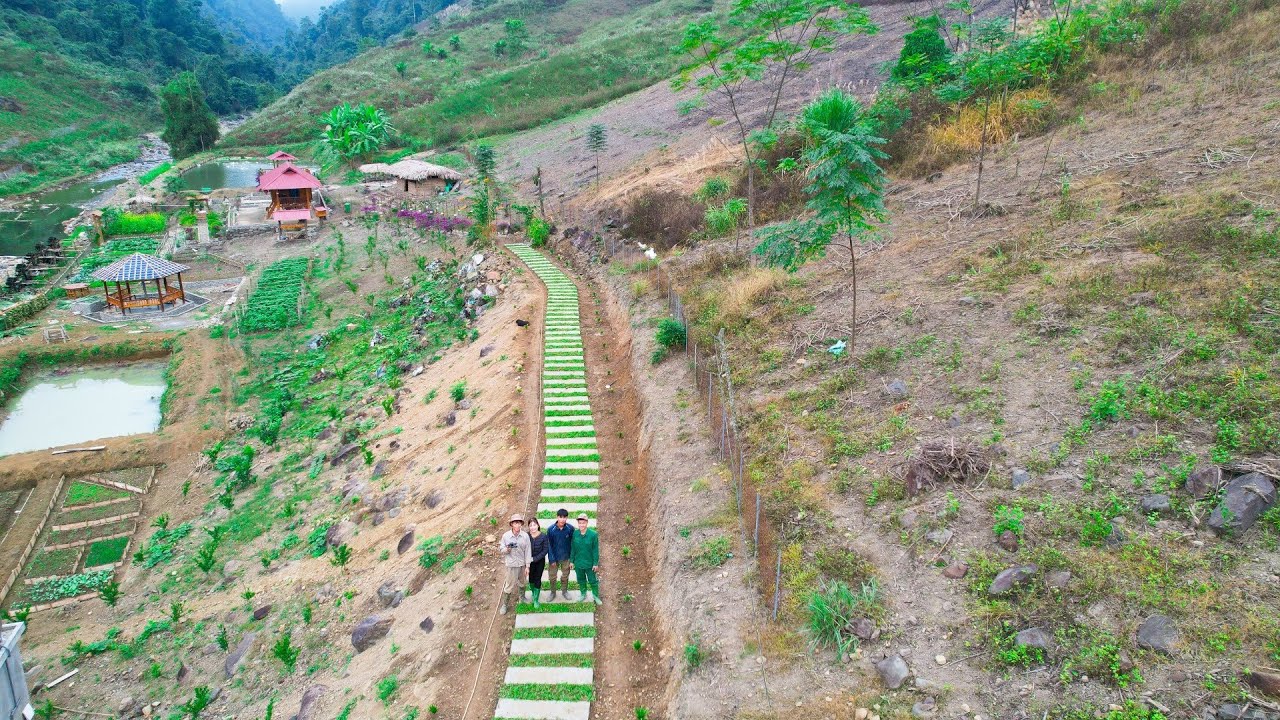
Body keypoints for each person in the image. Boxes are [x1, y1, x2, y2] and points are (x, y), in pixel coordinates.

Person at [498, 513, 531, 615]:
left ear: (521, 524)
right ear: (511, 524)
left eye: (519, 523)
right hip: (511, 565)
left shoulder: (525, 536)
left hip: (521, 564)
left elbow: (528, 551)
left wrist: (527, 566)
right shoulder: (506, 536)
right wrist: (506, 549)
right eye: (515, 523)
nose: (517, 525)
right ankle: (505, 604)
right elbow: (501, 548)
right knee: (509, 585)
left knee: (522, 582)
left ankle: (522, 597)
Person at [568, 513, 601, 605]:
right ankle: (583, 594)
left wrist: (595, 563)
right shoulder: (575, 534)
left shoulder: (593, 535)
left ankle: (595, 596)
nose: (581, 525)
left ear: (587, 523)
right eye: (580, 523)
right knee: (581, 579)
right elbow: (573, 548)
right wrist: (571, 561)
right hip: (578, 563)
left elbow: (595, 550)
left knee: (593, 581)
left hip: (589, 563)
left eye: (583, 523)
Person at [545, 508, 575, 600]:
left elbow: (573, 543)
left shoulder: (570, 528)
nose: (562, 519)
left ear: (567, 518)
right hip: (554, 558)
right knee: (552, 576)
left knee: (565, 575)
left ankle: (564, 591)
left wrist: (571, 559)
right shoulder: (551, 529)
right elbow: (549, 545)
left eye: (564, 517)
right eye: (560, 517)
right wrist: (552, 559)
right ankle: (553, 593)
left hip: (566, 558)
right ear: (557, 517)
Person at [527, 517, 549, 609]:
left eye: (534, 525)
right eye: (530, 525)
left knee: (537, 578)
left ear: (538, 525)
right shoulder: (526, 536)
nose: (533, 527)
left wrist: (534, 558)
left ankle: (536, 599)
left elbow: (545, 550)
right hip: (529, 561)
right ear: (528, 527)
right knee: (530, 578)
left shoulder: (543, 536)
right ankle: (533, 593)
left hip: (539, 561)